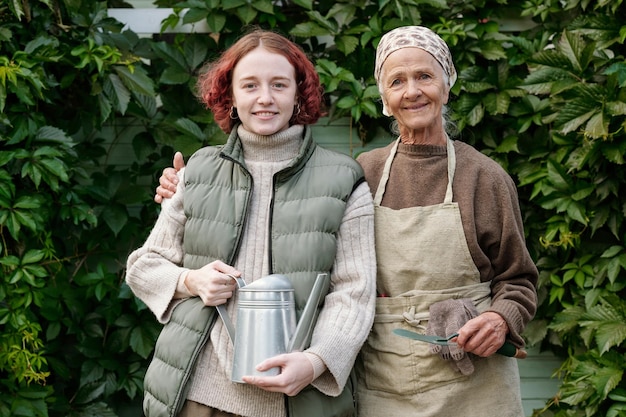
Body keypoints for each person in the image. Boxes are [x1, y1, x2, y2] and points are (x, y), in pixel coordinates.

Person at [156, 26, 538, 417]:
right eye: (397, 81)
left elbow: (519, 278)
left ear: (447, 83)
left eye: (425, 76)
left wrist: (499, 318)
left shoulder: (485, 178)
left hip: (473, 382)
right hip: (384, 379)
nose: (412, 91)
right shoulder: (360, 173)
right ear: (385, 98)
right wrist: (182, 186)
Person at [127, 29, 376, 417]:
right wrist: (189, 281)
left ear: (299, 93)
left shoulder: (343, 180)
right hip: (198, 392)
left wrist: (314, 362)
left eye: (279, 84)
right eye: (250, 85)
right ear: (231, 96)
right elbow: (144, 266)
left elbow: (354, 294)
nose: (264, 98)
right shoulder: (198, 171)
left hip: (295, 397)